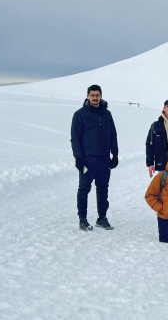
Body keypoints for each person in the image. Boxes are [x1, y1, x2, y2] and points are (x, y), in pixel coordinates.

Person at [71, 84, 119, 231]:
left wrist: (115, 154)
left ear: (101, 96)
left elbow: (112, 135)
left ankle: (102, 218)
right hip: (87, 160)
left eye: (97, 95)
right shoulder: (79, 114)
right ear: (87, 96)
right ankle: (82, 219)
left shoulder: (107, 114)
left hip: (104, 159)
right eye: (92, 95)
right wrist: (79, 157)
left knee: (103, 189)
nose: (95, 98)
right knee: (84, 189)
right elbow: (75, 138)